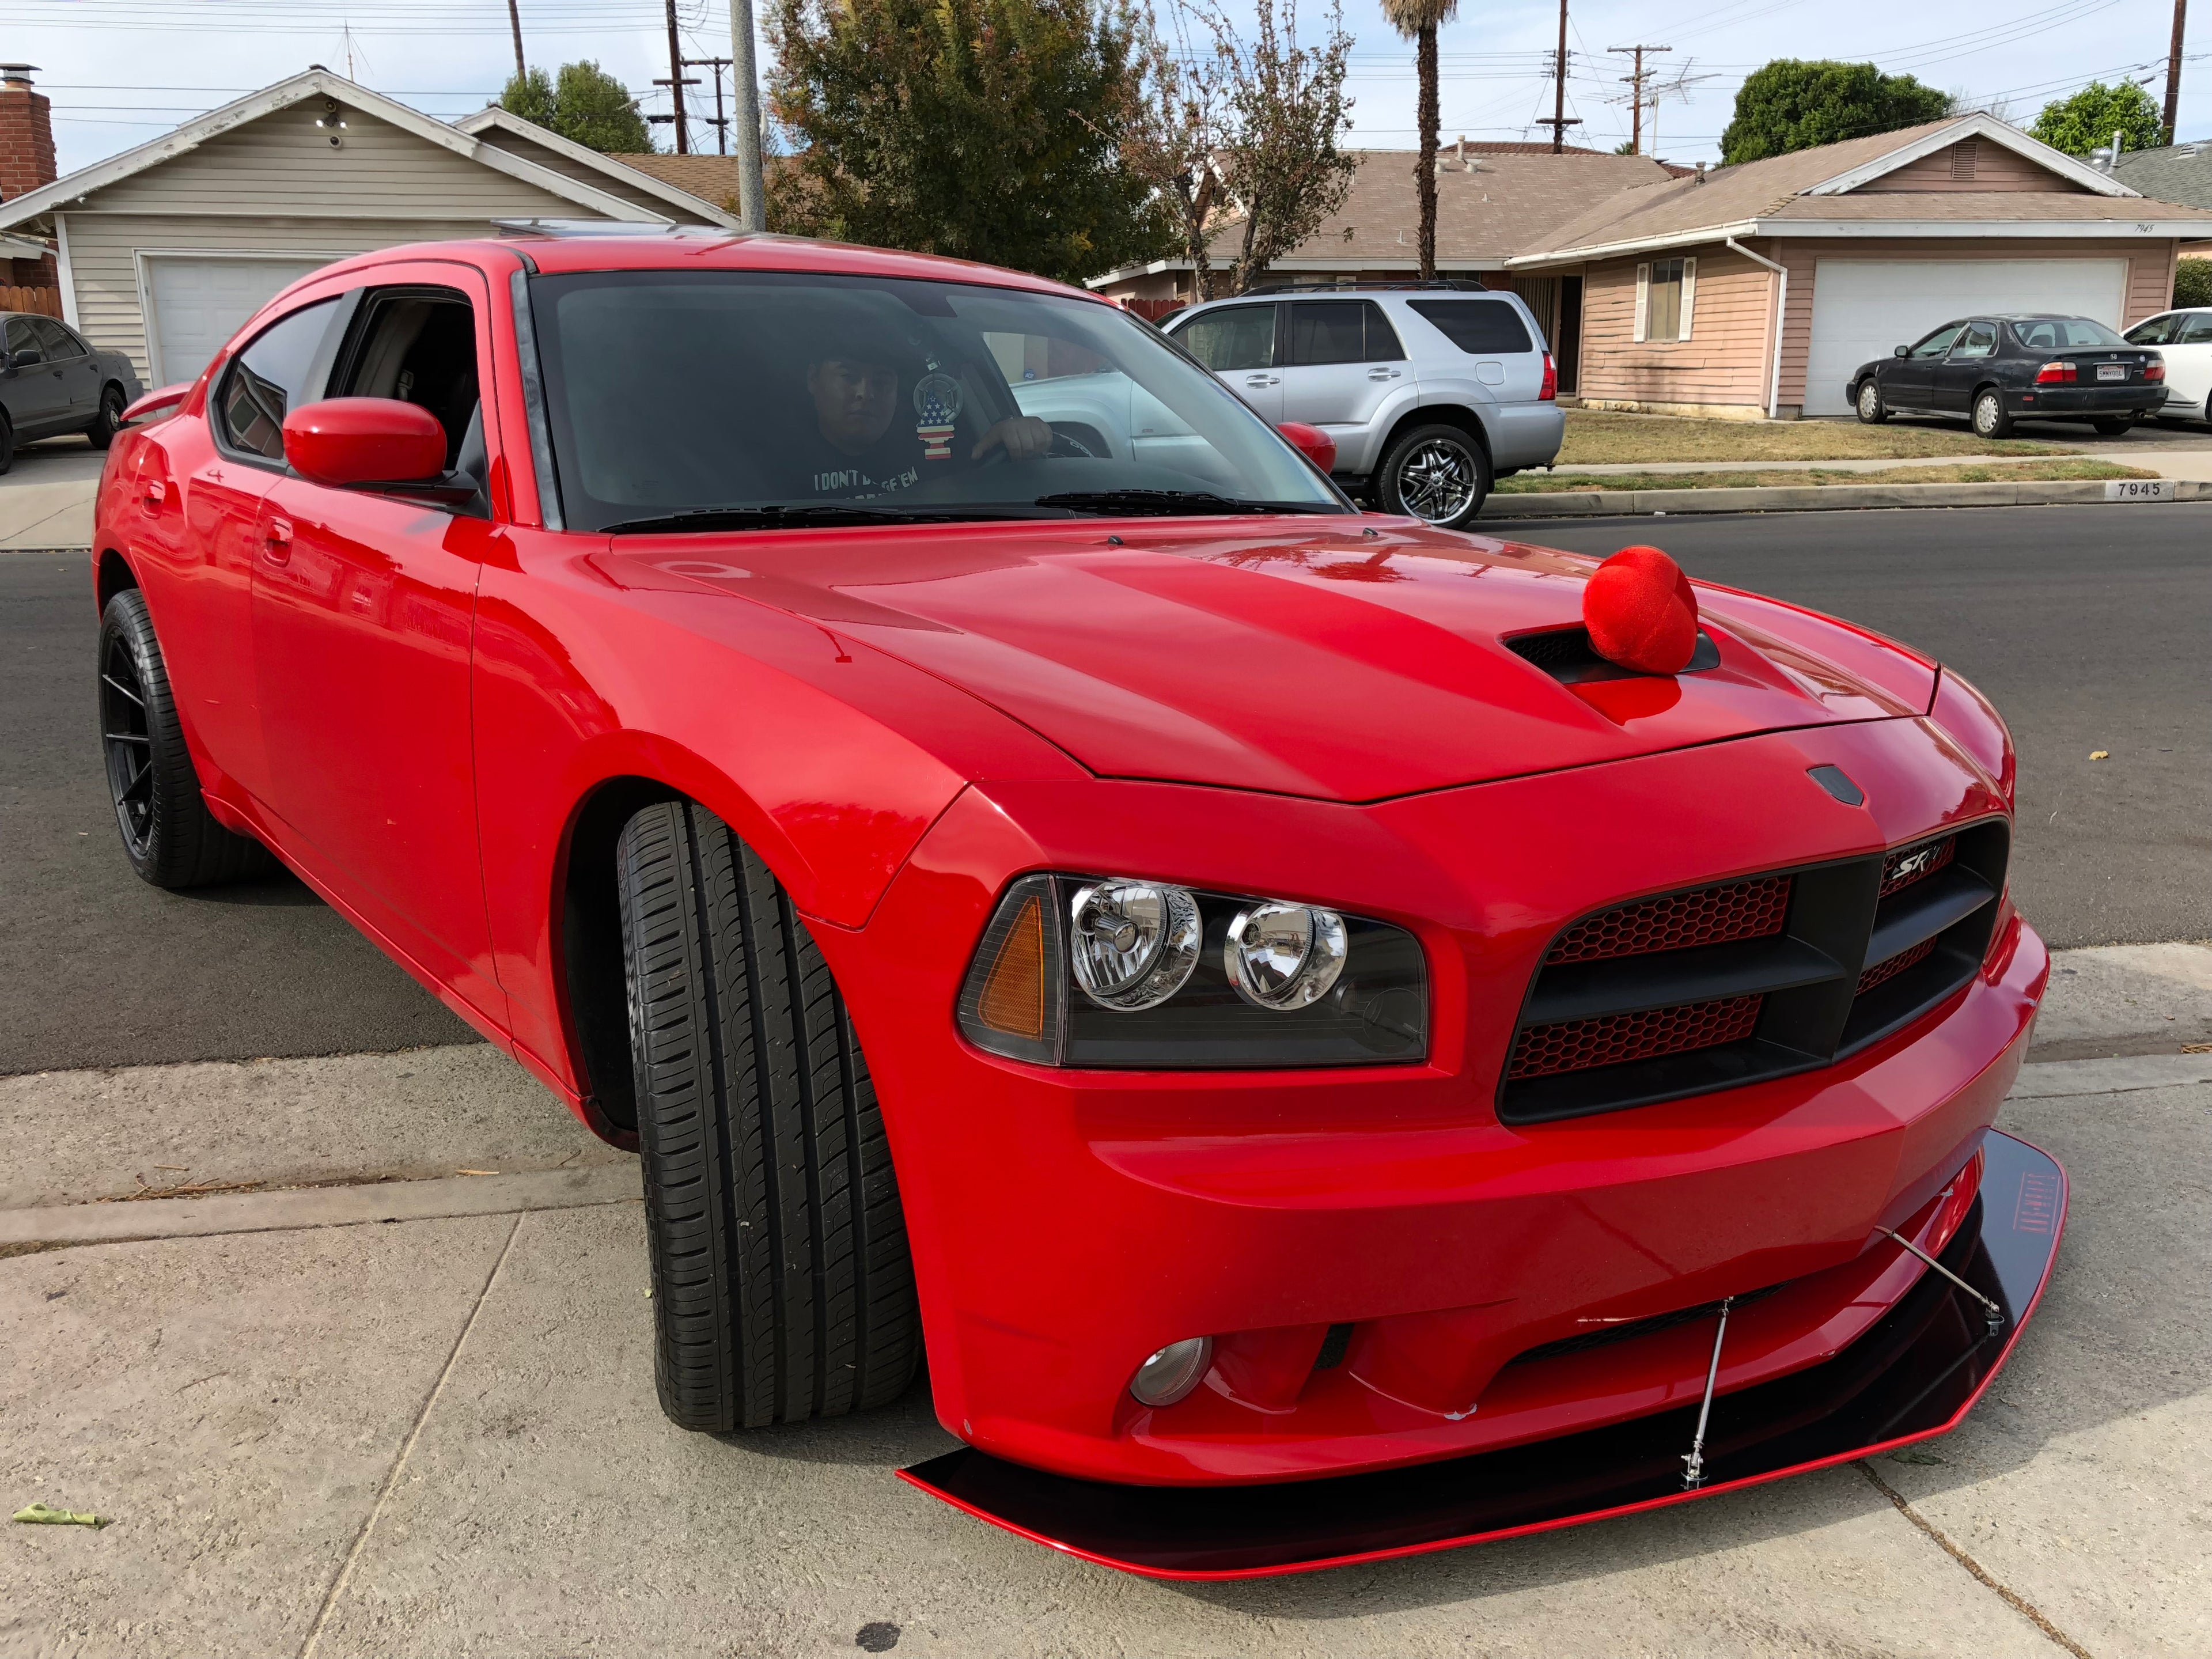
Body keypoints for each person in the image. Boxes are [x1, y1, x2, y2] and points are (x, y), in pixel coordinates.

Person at [794, 331, 1054, 501]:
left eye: (882, 382)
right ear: (812, 380)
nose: (865, 393)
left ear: (897, 392)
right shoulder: (773, 464)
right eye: (848, 377)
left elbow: (981, 466)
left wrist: (1012, 431)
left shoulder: (934, 446)